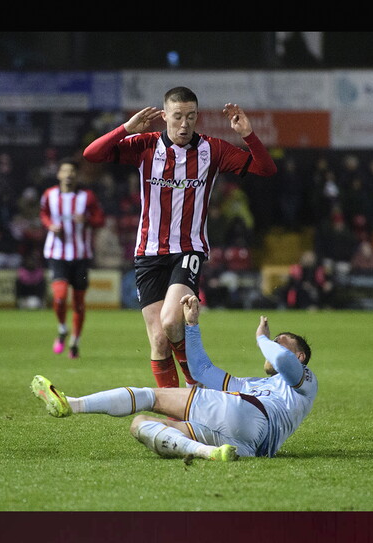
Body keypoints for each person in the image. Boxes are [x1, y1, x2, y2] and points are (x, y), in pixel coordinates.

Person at [83, 86, 277, 389]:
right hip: (147, 252)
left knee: (172, 321)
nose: (185, 124)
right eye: (177, 117)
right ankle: (177, 414)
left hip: (188, 249)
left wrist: (248, 135)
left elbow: (266, 169)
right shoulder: (144, 145)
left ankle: (193, 383)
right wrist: (125, 129)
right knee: (159, 341)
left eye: (191, 117)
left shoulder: (213, 150)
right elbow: (91, 154)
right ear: (164, 116)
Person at [31, 294, 317, 461]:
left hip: (248, 414)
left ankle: (73, 403)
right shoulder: (254, 385)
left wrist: (262, 339)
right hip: (251, 445)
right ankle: (207, 453)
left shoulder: (304, 380)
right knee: (140, 425)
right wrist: (192, 325)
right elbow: (203, 371)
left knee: (151, 396)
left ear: (300, 356)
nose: (275, 345)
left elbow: (281, 359)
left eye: (283, 341)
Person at [40, 158, 105, 358]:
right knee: (59, 297)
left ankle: (75, 341)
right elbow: (44, 214)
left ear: (77, 175)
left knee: (78, 303)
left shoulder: (88, 197)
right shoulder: (49, 195)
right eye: (65, 171)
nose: (68, 174)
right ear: (59, 174)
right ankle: (61, 328)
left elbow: (100, 219)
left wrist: (86, 219)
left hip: (81, 256)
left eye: (72, 171)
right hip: (57, 253)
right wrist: (50, 225)